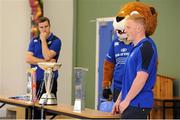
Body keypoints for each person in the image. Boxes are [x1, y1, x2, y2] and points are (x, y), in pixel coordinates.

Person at [112, 14, 158, 119]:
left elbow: (141, 78)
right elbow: (128, 80)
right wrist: (119, 100)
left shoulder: (146, 47)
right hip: (130, 103)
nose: (125, 30)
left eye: (128, 27)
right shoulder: (135, 48)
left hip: (138, 104)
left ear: (138, 29)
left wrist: (127, 100)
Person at [26, 16, 61, 118]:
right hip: (34, 80)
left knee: (47, 111)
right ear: (38, 28)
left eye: (46, 27)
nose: (44, 29)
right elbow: (28, 58)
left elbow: (47, 55)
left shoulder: (56, 41)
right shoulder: (34, 40)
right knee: (34, 111)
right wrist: (45, 62)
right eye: (41, 27)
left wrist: (44, 40)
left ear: (50, 27)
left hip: (49, 81)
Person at [102, 17, 133, 102]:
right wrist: (106, 86)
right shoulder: (115, 42)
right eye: (117, 31)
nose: (118, 33)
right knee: (118, 114)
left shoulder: (137, 42)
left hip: (133, 87)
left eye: (120, 31)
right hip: (118, 87)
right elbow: (108, 65)